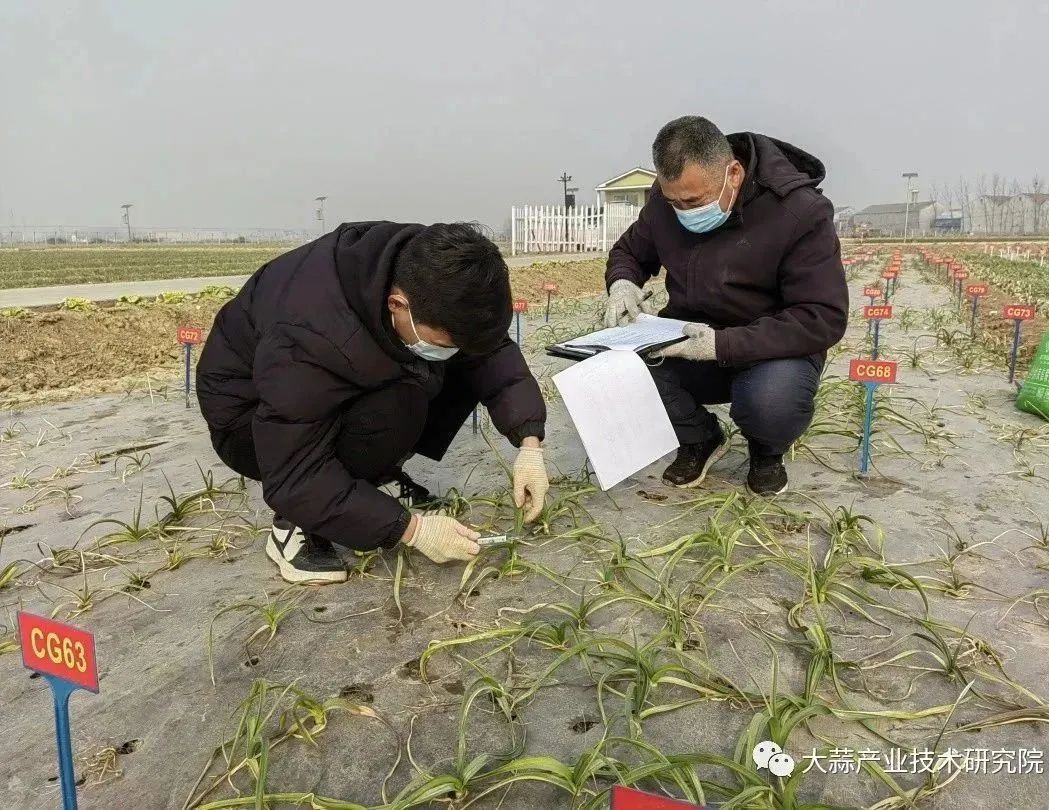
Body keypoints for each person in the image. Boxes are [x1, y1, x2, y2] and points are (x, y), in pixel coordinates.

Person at [196, 222, 550, 584]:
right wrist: (413, 531)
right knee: (399, 401)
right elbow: (293, 470)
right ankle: (294, 523)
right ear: (397, 304)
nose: (451, 349)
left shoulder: (428, 268)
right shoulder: (309, 332)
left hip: (319, 378)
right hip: (250, 420)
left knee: (438, 373)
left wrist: (530, 444)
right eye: (443, 341)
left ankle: (370, 483)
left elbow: (490, 352)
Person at [604, 116, 848, 495]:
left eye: (694, 201)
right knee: (621, 366)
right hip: (687, 339)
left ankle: (766, 451)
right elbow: (630, 251)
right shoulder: (664, 202)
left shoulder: (799, 211)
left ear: (733, 173)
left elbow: (821, 317)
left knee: (771, 403)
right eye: (674, 202)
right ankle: (699, 437)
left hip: (771, 351)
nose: (683, 212)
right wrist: (622, 283)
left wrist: (720, 344)